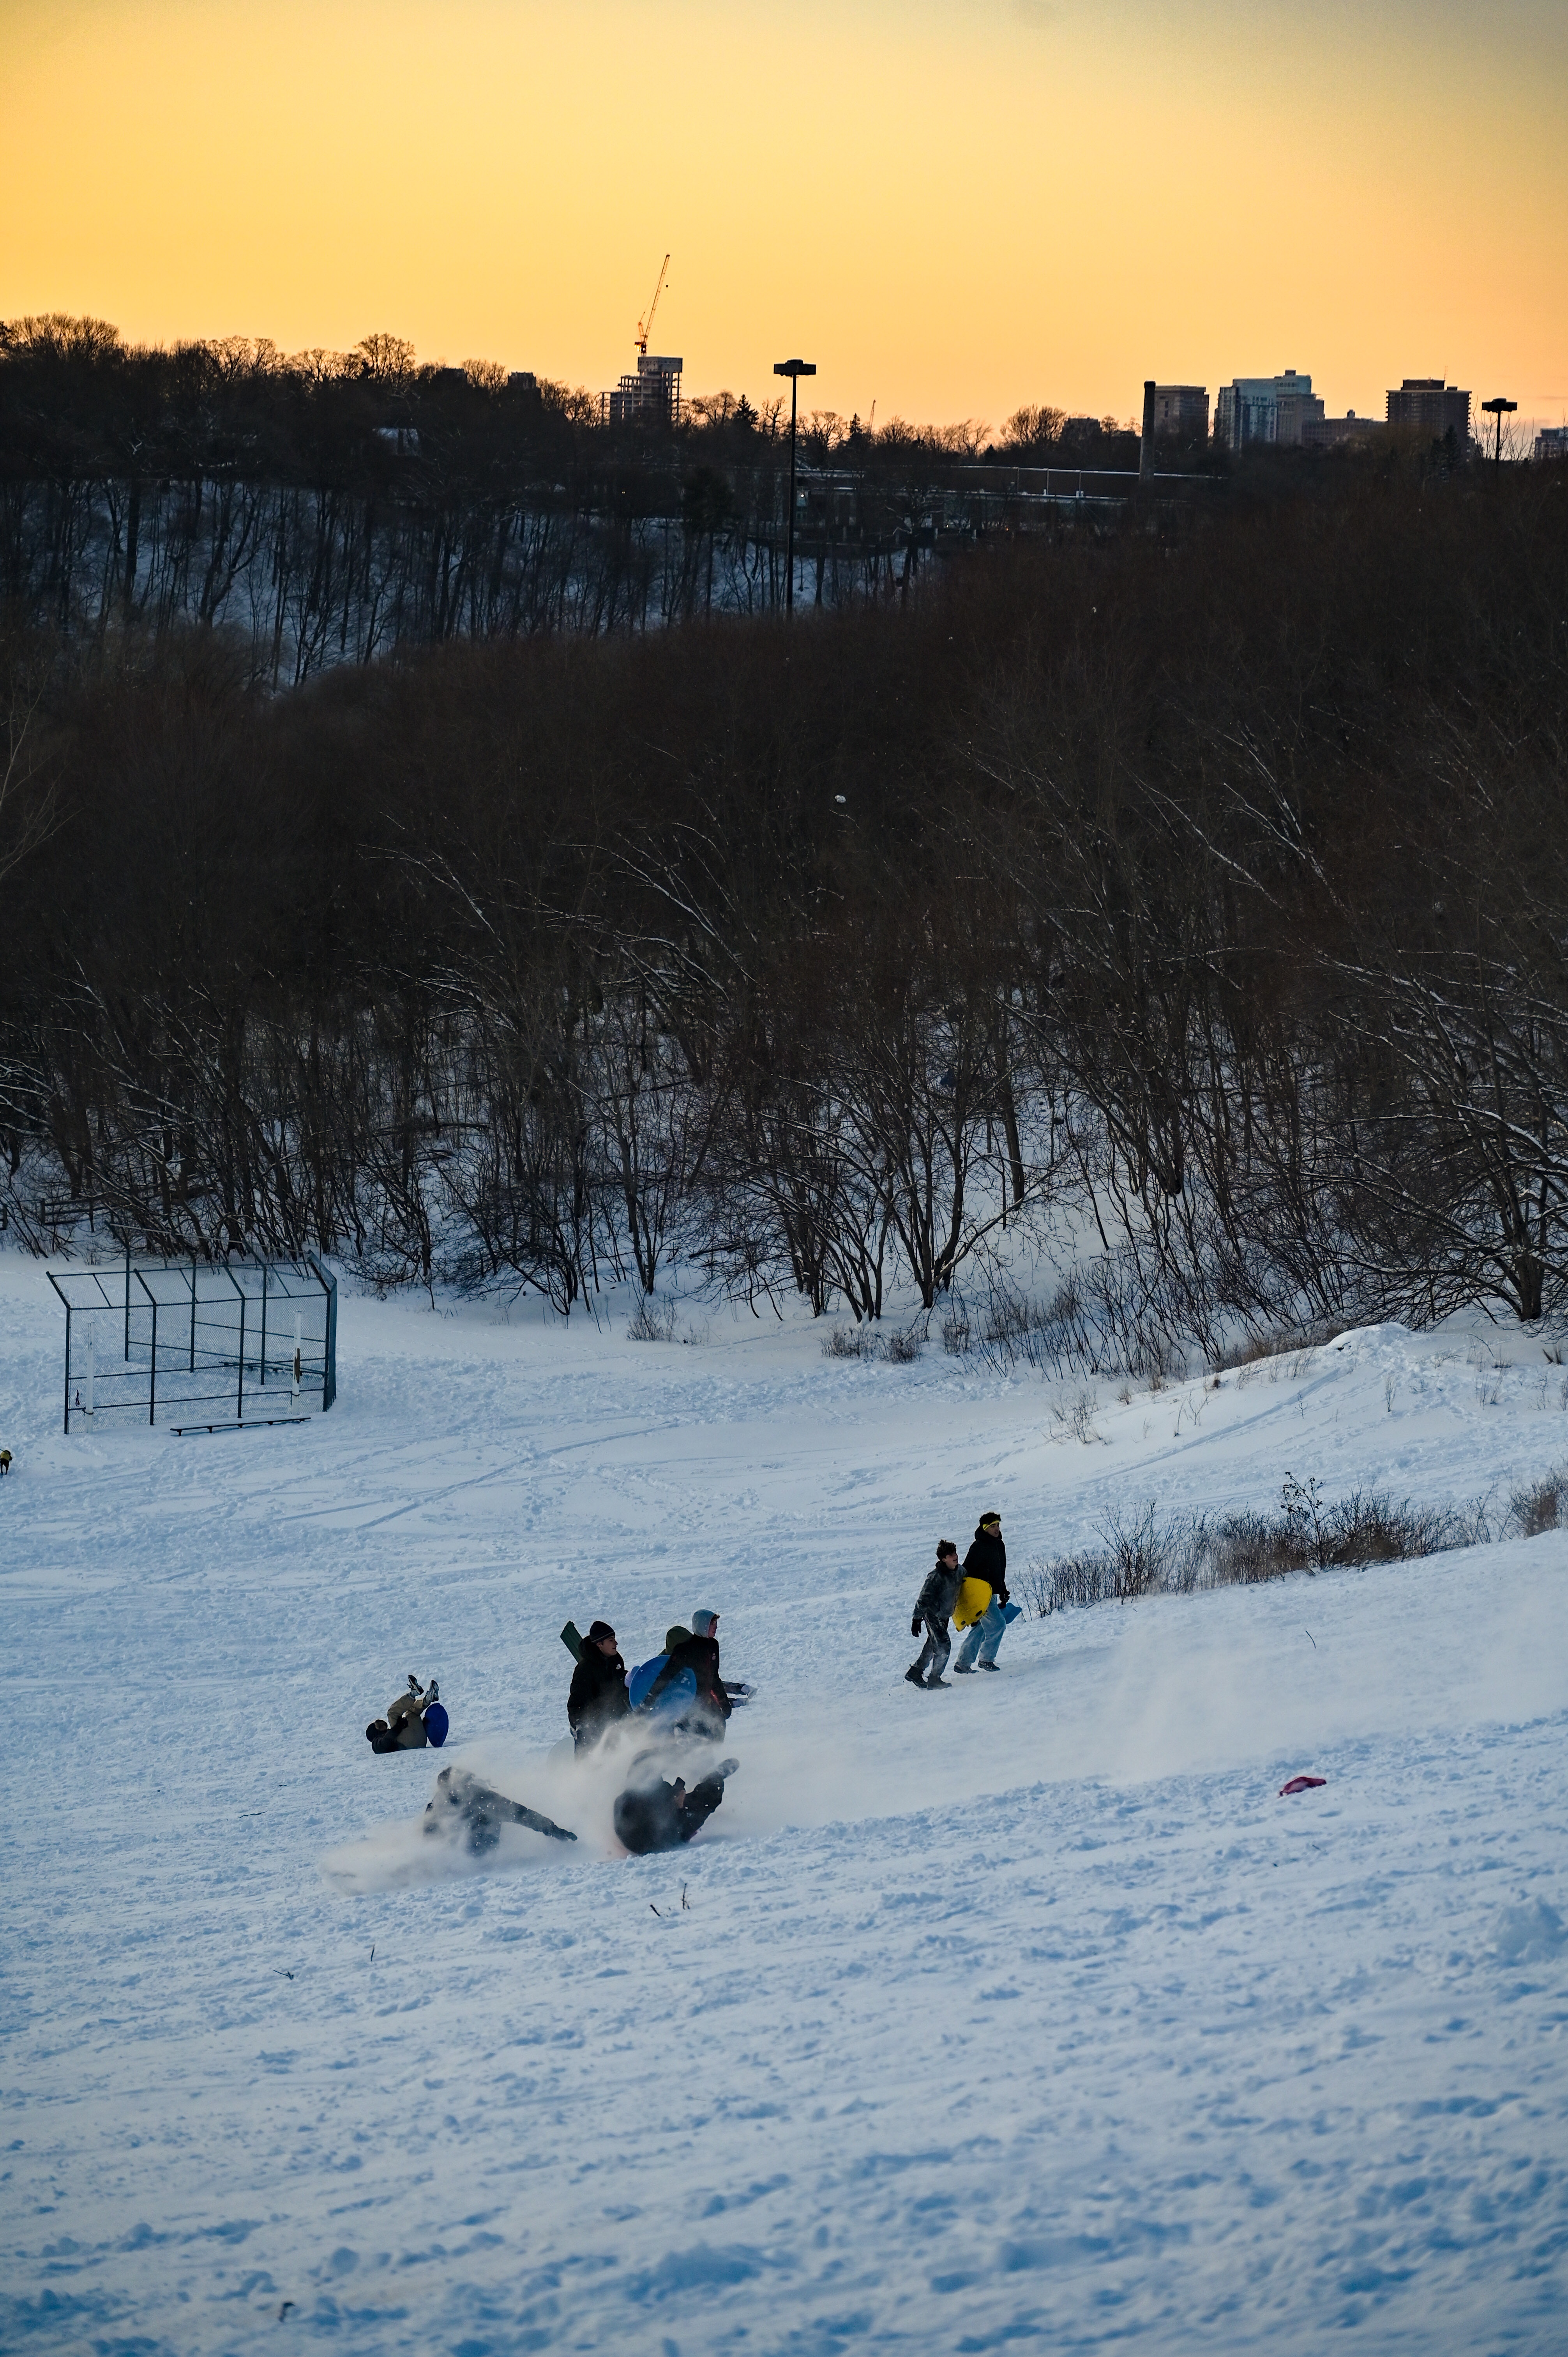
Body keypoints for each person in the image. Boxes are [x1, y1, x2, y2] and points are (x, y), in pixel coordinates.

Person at [613, 1754, 739, 1855]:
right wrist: (679, 1807)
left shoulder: (628, 1796)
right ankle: (715, 1778)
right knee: (706, 1800)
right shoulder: (650, 1806)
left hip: (637, 1837)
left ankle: (680, 1750)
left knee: (647, 1763)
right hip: (662, 1840)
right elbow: (666, 1833)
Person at [954, 1511, 1010, 1673]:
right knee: (999, 1625)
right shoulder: (978, 1547)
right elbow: (967, 1573)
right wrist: (969, 1600)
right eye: (993, 1526)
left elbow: (1000, 1570)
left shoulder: (999, 1544)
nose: (997, 1528)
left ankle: (962, 1663)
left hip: (991, 1594)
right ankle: (986, 1659)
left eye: (998, 1525)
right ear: (985, 1528)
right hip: (980, 1595)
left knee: (982, 1629)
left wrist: (1002, 1590)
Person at [906, 1541, 963, 1689]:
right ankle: (934, 1679)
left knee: (933, 1645)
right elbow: (923, 1599)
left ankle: (916, 1672)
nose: (955, 1556)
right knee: (944, 1646)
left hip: (945, 1616)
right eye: (950, 1555)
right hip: (933, 1615)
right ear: (943, 1559)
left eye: (955, 1553)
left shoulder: (960, 1571)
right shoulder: (935, 1577)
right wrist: (916, 1619)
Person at [568, 1620, 631, 1751]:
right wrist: (583, 1729)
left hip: (612, 1722)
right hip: (591, 1728)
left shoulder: (615, 1661)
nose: (616, 1643)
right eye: (611, 1640)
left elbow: (617, 1687)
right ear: (600, 1644)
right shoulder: (584, 1670)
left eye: (615, 1639)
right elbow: (577, 1704)